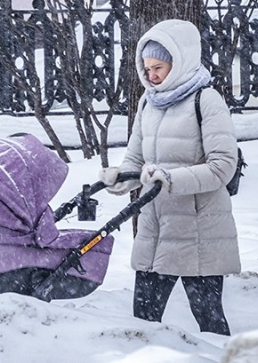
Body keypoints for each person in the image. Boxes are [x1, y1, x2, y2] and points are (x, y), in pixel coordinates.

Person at [99, 19, 240, 335]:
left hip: (199, 232)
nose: (150, 76)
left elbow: (222, 166)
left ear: (181, 61)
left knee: (210, 321)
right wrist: (119, 179)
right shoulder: (148, 102)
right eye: (146, 68)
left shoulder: (206, 100)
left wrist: (170, 179)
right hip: (155, 229)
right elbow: (137, 160)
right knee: (142, 324)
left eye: (158, 67)